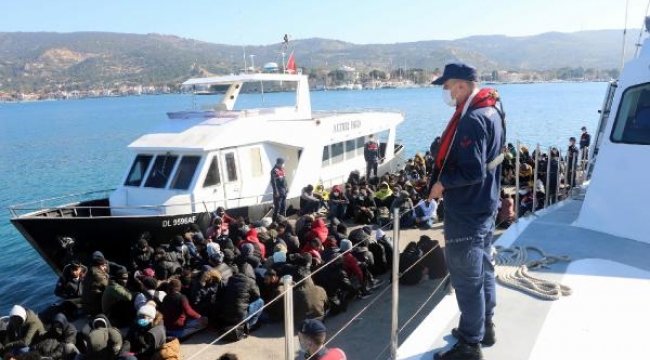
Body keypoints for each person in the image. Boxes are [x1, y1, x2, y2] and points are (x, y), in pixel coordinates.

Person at [429, 62, 504, 359]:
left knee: (466, 278)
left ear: (460, 85)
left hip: (467, 210)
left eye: (447, 87)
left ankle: (471, 344)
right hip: (485, 205)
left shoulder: (472, 119)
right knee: (483, 268)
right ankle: (485, 327)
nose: (446, 93)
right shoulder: (494, 109)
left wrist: (441, 185)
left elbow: (472, 171)